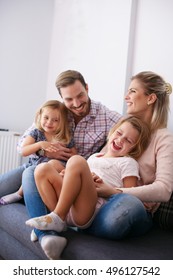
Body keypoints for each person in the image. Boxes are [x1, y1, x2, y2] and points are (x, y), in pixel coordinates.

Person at [23, 71, 173, 259]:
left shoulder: (164, 138)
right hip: (93, 199)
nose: (126, 97)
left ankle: (73, 222)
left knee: (128, 205)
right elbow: (95, 165)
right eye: (118, 134)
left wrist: (112, 191)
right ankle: (47, 233)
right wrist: (68, 173)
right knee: (31, 171)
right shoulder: (120, 125)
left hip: (123, 204)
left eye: (132, 91)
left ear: (150, 98)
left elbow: (164, 190)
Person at [0, 70, 122, 259]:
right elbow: (21, 145)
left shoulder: (106, 117)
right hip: (36, 162)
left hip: (66, 172)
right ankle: (42, 224)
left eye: (80, 95)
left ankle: (46, 231)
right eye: (69, 99)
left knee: (34, 172)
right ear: (62, 98)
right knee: (14, 180)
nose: (76, 103)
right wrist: (42, 149)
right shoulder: (56, 112)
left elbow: (130, 129)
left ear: (87, 88)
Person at [25, 116, 150, 233]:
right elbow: (79, 178)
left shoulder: (128, 162)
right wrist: (67, 175)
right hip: (69, 204)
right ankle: (57, 219)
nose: (120, 140)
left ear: (135, 148)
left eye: (128, 140)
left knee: (76, 160)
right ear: (112, 132)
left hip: (88, 209)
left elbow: (128, 196)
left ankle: (57, 217)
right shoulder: (95, 156)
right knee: (43, 168)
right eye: (119, 133)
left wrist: (107, 188)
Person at [0, 99, 76, 205]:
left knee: (52, 164)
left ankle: (21, 194)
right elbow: (23, 150)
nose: (49, 122)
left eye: (55, 120)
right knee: (31, 171)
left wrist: (66, 156)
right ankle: (19, 193)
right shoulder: (36, 132)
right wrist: (40, 145)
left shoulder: (66, 136)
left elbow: (74, 157)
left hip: (55, 171)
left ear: (62, 122)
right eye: (46, 118)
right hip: (33, 166)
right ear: (40, 116)